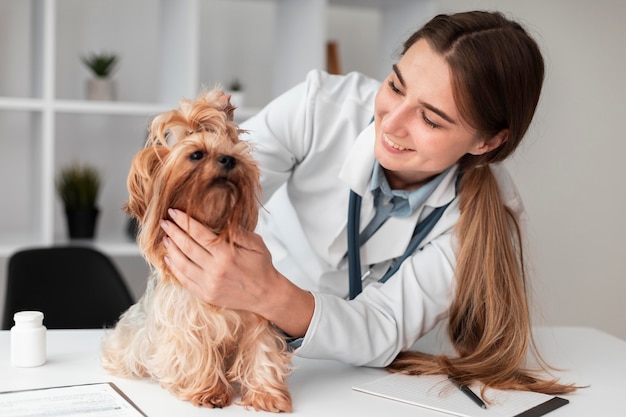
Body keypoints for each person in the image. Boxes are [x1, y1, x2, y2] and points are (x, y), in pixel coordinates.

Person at [160, 11, 575, 394]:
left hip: (372, 382)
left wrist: (270, 294)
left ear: (487, 141)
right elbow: (199, 194)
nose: (391, 123)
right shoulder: (321, 107)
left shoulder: (487, 213)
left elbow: (385, 325)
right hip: (240, 346)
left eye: (430, 119)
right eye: (395, 86)